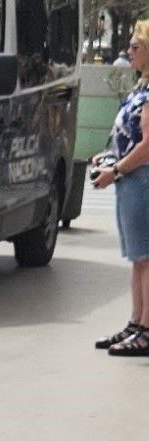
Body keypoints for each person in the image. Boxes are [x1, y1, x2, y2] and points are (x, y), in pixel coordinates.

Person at [91, 20, 149, 355]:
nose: (129, 51)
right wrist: (110, 155)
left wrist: (116, 169)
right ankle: (136, 322)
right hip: (130, 178)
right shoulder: (140, 87)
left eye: (135, 47)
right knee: (138, 259)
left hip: (140, 180)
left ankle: (145, 328)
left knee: (145, 257)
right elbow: (130, 138)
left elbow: (147, 146)